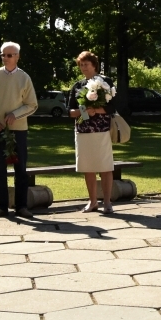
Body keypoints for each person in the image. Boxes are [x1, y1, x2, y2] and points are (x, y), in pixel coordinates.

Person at [0, 41, 37, 218]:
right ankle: (1, 206)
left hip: (19, 130)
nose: (5, 58)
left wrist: (15, 114)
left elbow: (32, 105)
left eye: (9, 55)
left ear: (17, 56)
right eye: (3, 55)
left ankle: (21, 206)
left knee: (21, 170)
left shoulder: (24, 78)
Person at [69, 51, 116, 212]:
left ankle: (107, 202)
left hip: (101, 131)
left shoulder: (106, 82)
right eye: (81, 65)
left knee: (105, 166)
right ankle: (93, 201)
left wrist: (97, 110)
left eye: (86, 64)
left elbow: (113, 107)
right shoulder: (77, 86)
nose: (83, 68)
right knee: (87, 167)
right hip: (83, 131)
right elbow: (70, 111)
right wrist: (86, 111)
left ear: (94, 65)